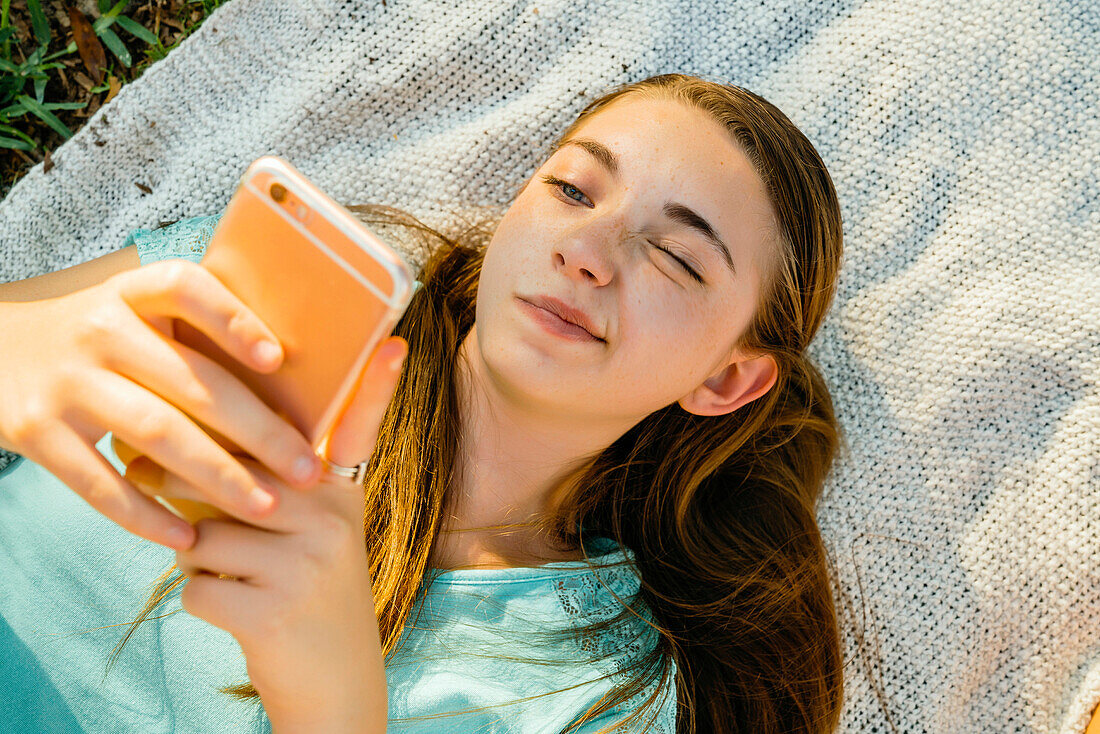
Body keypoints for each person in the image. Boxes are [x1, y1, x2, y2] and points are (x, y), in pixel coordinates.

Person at [0, 73, 846, 733]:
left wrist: (333, 707)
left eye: (673, 255)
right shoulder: (250, 292)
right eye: (574, 190)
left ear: (725, 381)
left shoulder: (604, 695)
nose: (585, 249)